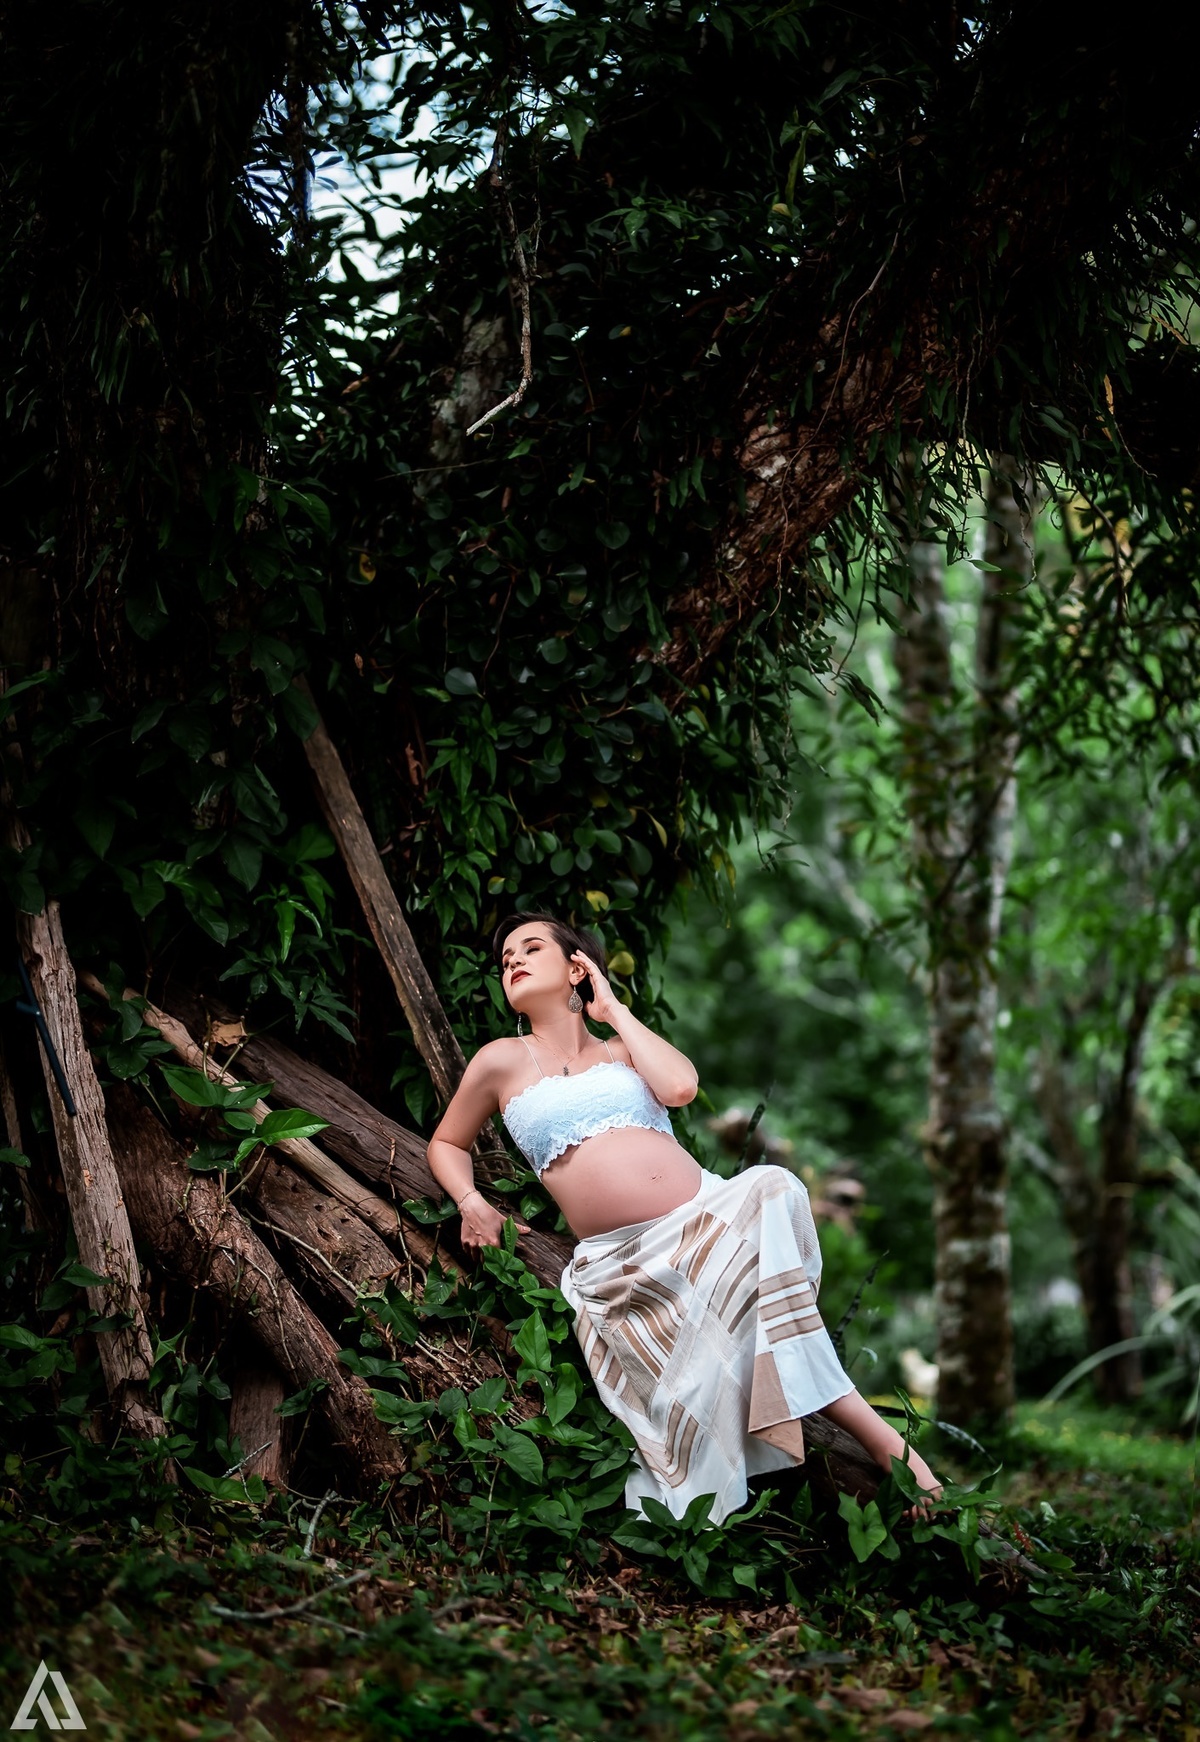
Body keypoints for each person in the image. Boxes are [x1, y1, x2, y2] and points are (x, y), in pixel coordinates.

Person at [426, 910, 942, 1525]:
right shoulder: (500, 1061)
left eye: (531, 948)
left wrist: (612, 1008)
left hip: (707, 1219)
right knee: (739, 1332)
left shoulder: (623, 1048)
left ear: (576, 968)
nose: (512, 961)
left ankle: (880, 1441)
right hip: (624, 1262)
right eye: (505, 957)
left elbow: (679, 1089)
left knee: (774, 1186)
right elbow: (447, 1143)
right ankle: (885, 1442)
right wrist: (471, 1201)